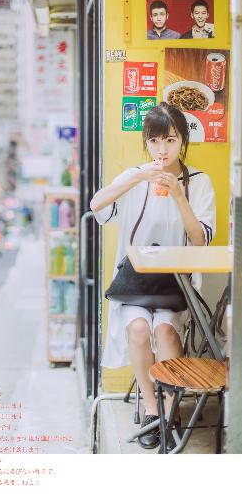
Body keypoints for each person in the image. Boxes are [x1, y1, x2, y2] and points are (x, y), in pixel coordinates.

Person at [90, 102, 216, 449]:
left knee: (165, 329)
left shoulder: (199, 183)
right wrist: (134, 177)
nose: (162, 150)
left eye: (171, 141)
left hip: (175, 284)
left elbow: (200, 238)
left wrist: (178, 195)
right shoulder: (135, 176)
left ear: (183, 142)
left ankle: (171, 407)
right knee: (139, 328)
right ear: (147, 141)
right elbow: (97, 205)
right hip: (136, 283)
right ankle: (151, 407)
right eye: (156, 141)